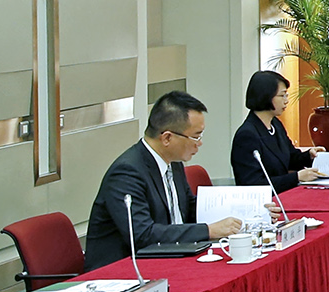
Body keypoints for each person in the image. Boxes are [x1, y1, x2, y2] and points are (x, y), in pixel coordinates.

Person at [82, 90, 241, 269]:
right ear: (167, 138)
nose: (200, 143)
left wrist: (245, 211)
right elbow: (143, 234)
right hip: (123, 270)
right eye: (196, 136)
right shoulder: (126, 173)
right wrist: (209, 230)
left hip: (171, 258)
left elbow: (188, 209)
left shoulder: (173, 162)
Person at [233, 69, 321, 193]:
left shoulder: (275, 124)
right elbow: (252, 183)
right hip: (266, 200)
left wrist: (309, 156)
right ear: (266, 96)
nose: (286, 100)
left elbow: (290, 158)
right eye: (282, 95)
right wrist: (296, 177)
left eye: (286, 95)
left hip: (283, 195)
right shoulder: (247, 135)